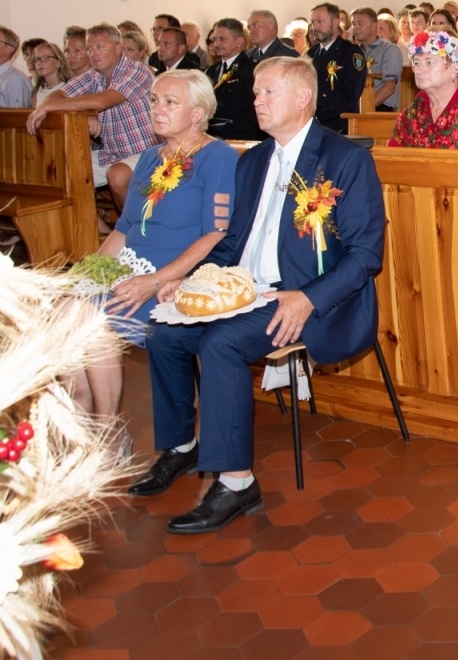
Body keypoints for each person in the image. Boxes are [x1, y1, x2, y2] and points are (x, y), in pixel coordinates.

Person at [134, 57, 385, 534]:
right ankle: (181, 448)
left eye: (267, 92)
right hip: (246, 291)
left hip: (308, 299)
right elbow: (230, 244)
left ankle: (236, 483)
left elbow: (365, 254)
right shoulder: (252, 161)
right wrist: (194, 280)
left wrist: (306, 298)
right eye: (255, 92)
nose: (256, 101)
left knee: (220, 343)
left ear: (302, 98)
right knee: (163, 329)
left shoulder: (344, 160)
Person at [75, 69, 236, 446]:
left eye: (169, 102)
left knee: (91, 322)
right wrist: (90, 272)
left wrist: (154, 280)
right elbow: (124, 228)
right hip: (130, 269)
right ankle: (82, 429)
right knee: (69, 310)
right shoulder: (149, 157)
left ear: (197, 113)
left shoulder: (217, 157)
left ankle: (109, 434)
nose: (156, 109)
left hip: (178, 277)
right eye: (153, 101)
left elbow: (216, 233)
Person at [29, 22, 156, 207]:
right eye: (89, 48)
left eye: (99, 47)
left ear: (118, 48)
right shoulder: (93, 75)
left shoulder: (136, 70)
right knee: (63, 173)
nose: (93, 53)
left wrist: (57, 108)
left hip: (146, 150)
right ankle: (97, 230)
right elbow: (55, 96)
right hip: (112, 153)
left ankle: (132, 230)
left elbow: (102, 101)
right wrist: (87, 114)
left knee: (118, 176)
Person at [388, 32, 458, 150]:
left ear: (455, 68)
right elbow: (394, 153)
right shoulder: (418, 106)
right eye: (416, 63)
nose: (419, 70)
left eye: (429, 62)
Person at [306, 3, 366, 134]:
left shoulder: (350, 53)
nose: (315, 27)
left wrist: (318, 112)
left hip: (338, 126)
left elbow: (349, 95)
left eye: (320, 21)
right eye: (313, 22)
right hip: (312, 124)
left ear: (335, 22)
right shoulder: (311, 53)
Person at [203, 19, 262, 142]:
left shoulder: (253, 69)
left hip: (243, 138)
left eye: (222, 39)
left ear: (239, 41)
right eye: (214, 40)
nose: (216, 44)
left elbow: (253, 111)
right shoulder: (211, 71)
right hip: (213, 138)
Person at [352, 7, 403, 112]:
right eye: (353, 24)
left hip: (381, 108)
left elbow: (389, 88)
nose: (356, 27)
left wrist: (364, 108)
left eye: (360, 23)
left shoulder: (389, 50)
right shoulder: (354, 52)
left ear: (374, 25)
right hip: (358, 108)